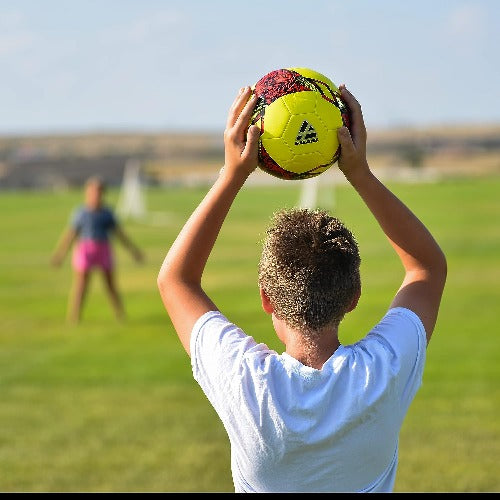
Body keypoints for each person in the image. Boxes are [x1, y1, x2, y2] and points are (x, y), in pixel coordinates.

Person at [157, 85, 447, 492]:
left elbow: (175, 280)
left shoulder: (245, 382)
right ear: (353, 297)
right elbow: (427, 267)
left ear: (265, 298)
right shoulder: (381, 372)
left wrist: (232, 174)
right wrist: (360, 173)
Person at [51, 175, 144, 323]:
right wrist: (60, 255)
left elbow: (120, 234)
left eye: (99, 192)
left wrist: (134, 251)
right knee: (81, 285)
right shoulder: (80, 213)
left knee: (110, 284)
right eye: (93, 191)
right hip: (85, 250)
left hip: (103, 249)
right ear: (87, 192)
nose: (96, 195)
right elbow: (70, 235)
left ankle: (120, 315)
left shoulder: (107, 213)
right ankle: (74, 316)